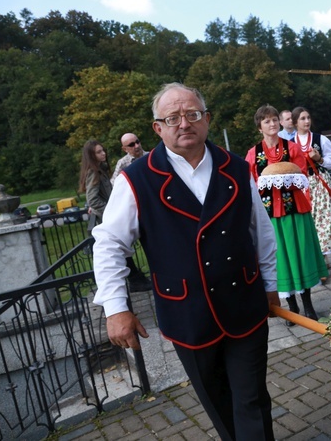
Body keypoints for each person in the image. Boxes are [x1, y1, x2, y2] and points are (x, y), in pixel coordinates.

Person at [92, 83, 280, 441]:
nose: (184, 123)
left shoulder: (237, 169)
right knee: (217, 400)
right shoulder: (136, 179)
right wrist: (115, 308)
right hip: (186, 313)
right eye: (172, 117)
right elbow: (109, 243)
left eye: (193, 114)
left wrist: (270, 286)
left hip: (244, 302)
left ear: (207, 120)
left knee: (252, 399)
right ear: (157, 128)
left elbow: (262, 233)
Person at [245, 104, 328, 325]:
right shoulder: (253, 153)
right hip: (269, 214)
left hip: (295, 210)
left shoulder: (291, 148)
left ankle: (308, 305)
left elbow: (302, 175)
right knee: (280, 258)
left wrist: (286, 178)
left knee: (301, 254)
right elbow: (250, 184)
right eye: (266, 121)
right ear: (259, 127)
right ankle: (291, 309)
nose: (272, 124)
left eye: (274, 120)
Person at [80, 140, 150, 292]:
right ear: (91, 155)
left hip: (109, 218)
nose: (103, 153)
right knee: (122, 250)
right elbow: (92, 199)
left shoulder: (101, 169)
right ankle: (135, 281)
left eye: (103, 150)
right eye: (99, 152)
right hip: (108, 220)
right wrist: (112, 211)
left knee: (124, 251)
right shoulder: (94, 172)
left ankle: (136, 279)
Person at [291, 106, 331, 276]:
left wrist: (318, 158)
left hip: (320, 183)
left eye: (308, 118)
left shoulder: (321, 139)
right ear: (295, 122)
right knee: (309, 221)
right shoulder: (291, 145)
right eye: (303, 119)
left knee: (324, 219)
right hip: (303, 186)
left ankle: (323, 260)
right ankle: (317, 260)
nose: (307, 121)